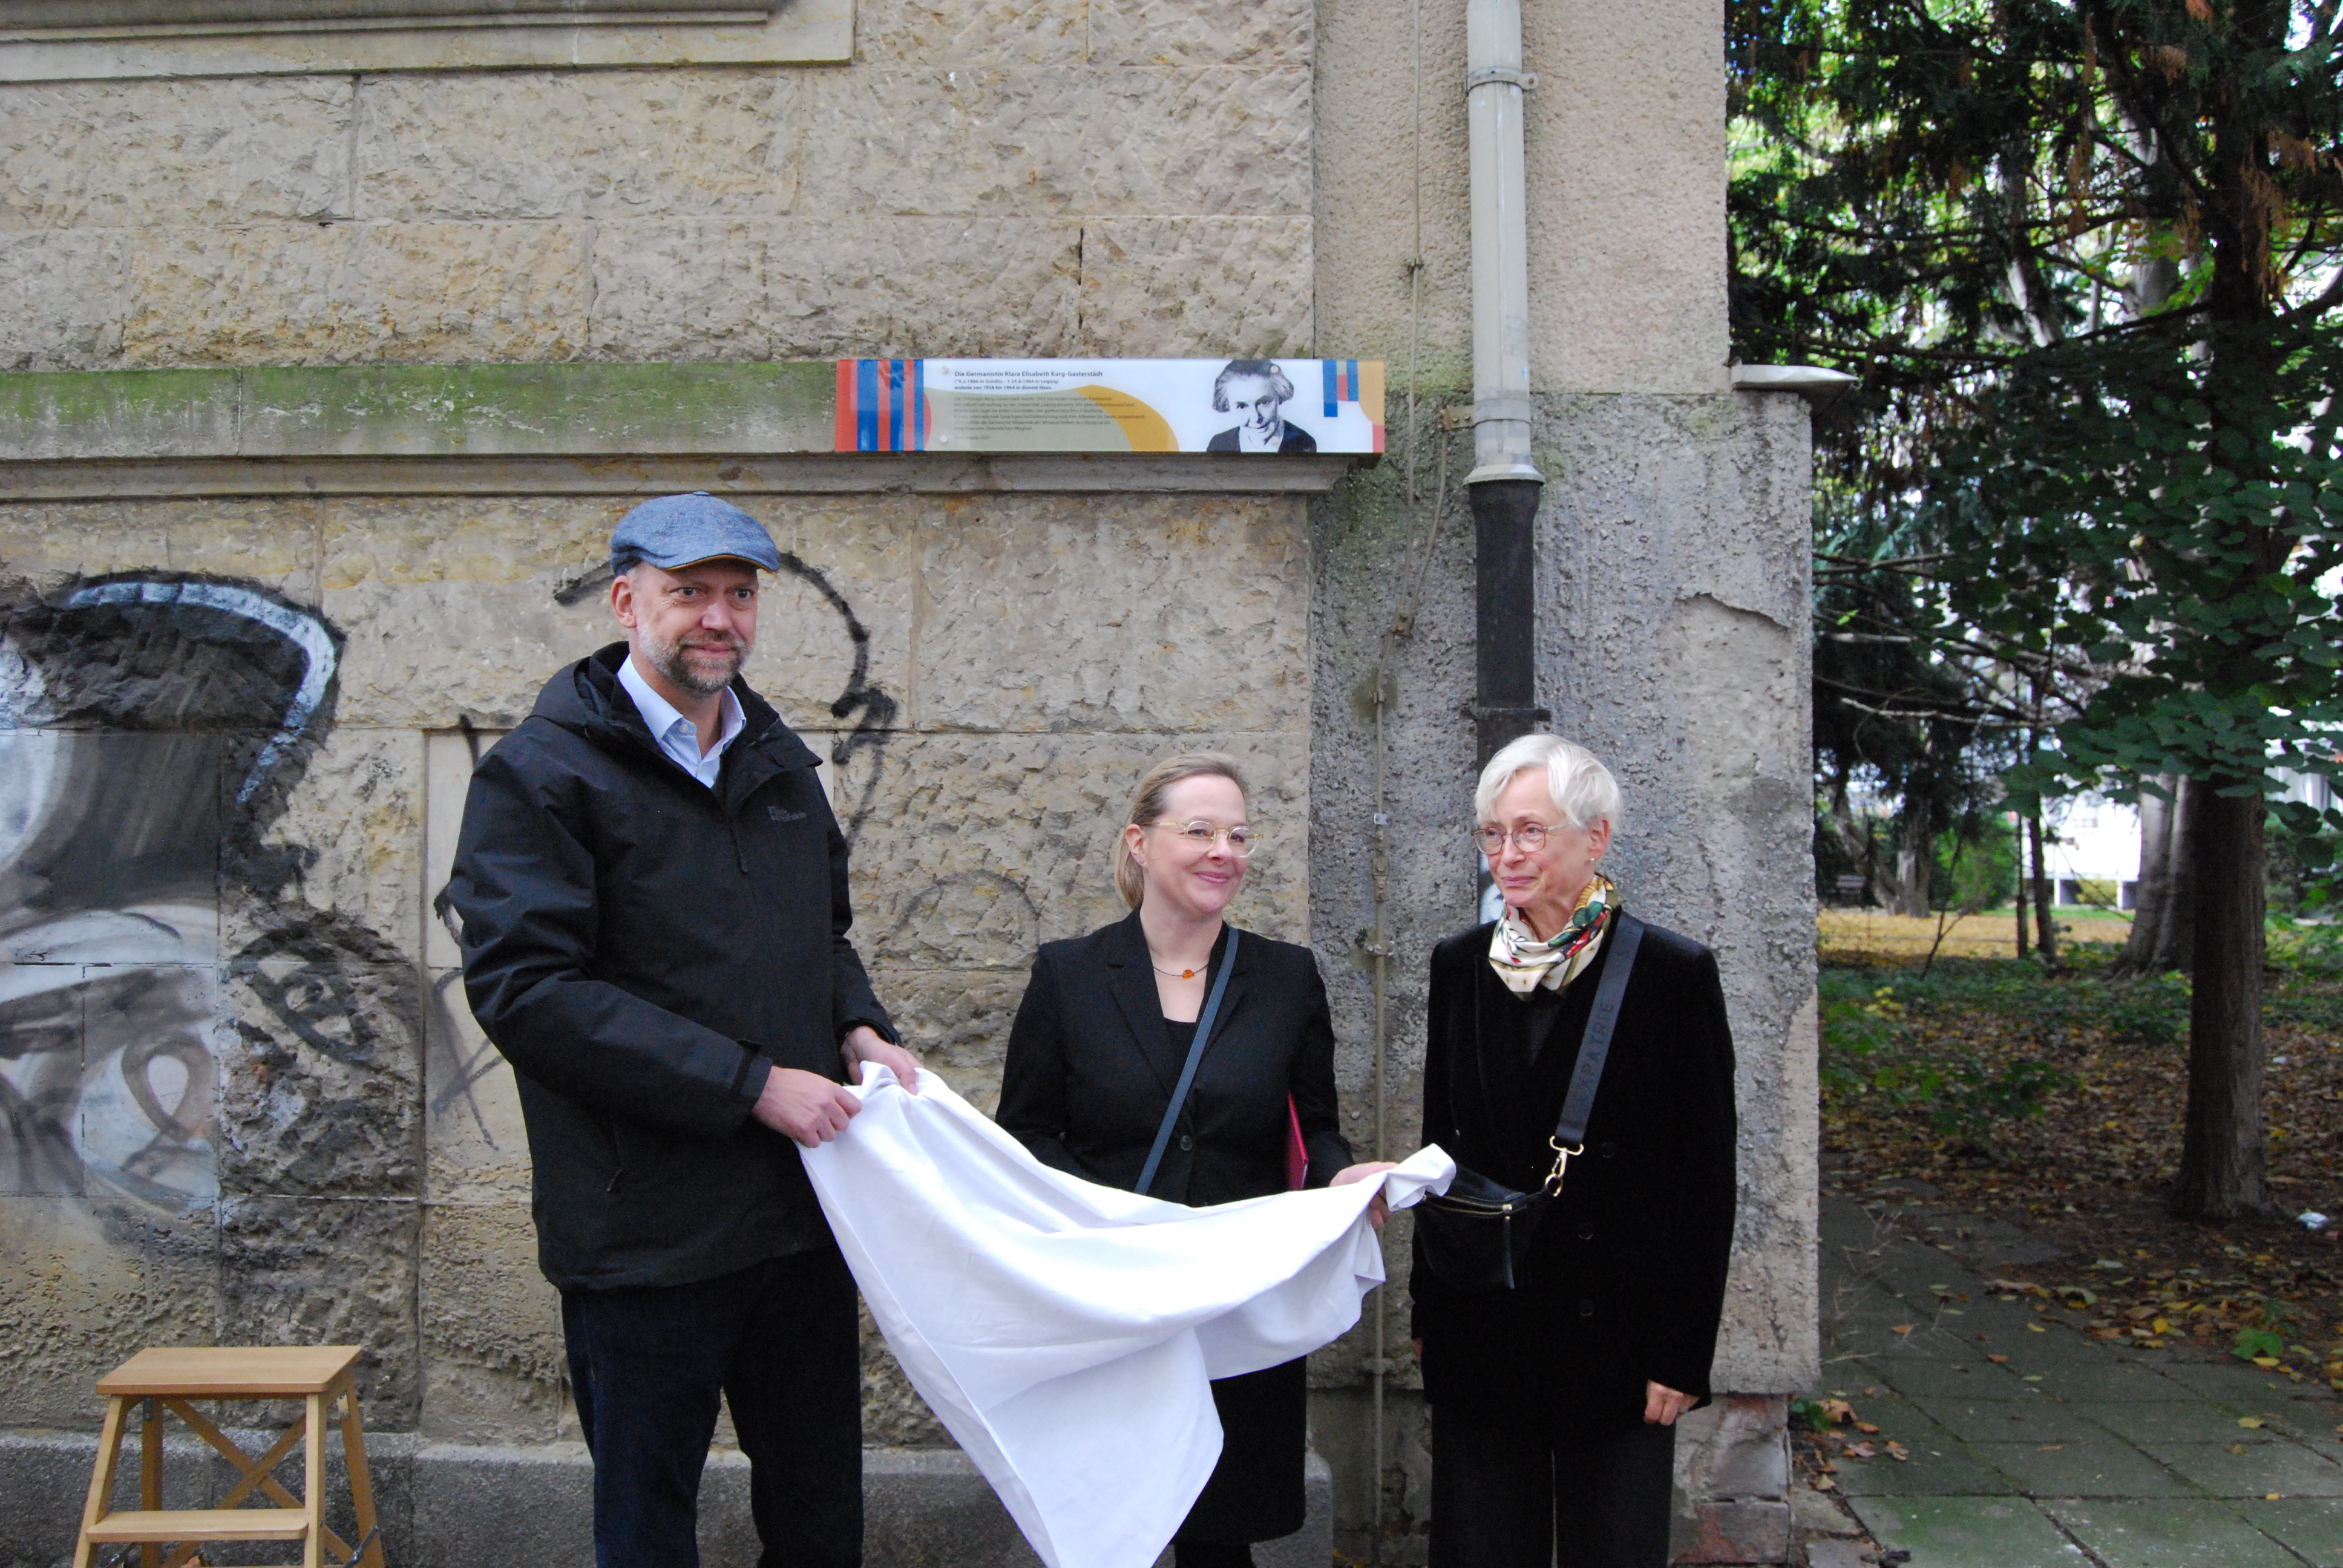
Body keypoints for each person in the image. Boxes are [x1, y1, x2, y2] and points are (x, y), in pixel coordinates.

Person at [445, 492, 923, 1568]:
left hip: (800, 1222)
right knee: (648, 1527)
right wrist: (751, 1082)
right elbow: (529, 990)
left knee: (817, 1523)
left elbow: (824, 938)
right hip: (641, 1236)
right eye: (689, 593)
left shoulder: (781, 763)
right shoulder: (542, 771)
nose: (719, 617)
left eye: (739, 594)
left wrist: (858, 1026)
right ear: (626, 601)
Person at [997, 753, 1393, 1567]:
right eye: (1201, 831)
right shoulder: (1069, 976)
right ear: (1140, 843)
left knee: (1220, 1536)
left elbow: (1314, 1131)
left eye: (1240, 835)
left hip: (1232, 1305)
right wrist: (1104, 1230)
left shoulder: (1285, 979)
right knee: (1110, 1532)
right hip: (1113, 1305)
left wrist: (1340, 1177)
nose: (1225, 851)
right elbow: (1026, 1139)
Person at [1410, 734, 1737, 1568]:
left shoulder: (1671, 973)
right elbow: (1439, 1151)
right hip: (1485, 1318)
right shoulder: (1460, 965)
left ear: (1594, 838)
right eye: (1492, 834)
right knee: (1481, 1547)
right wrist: (1427, 1313)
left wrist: (1682, 1353)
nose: (1506, 855)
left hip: (1620, 1337)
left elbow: (1706, 1179)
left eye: (1529, 831)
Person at [1204, 360, 1319, 453]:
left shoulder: (1303, 443)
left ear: (1279, 395)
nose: (1255, 418)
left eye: (1264, 403)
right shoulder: (1219, 444)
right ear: (1227, 405)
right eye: (1242, 406)